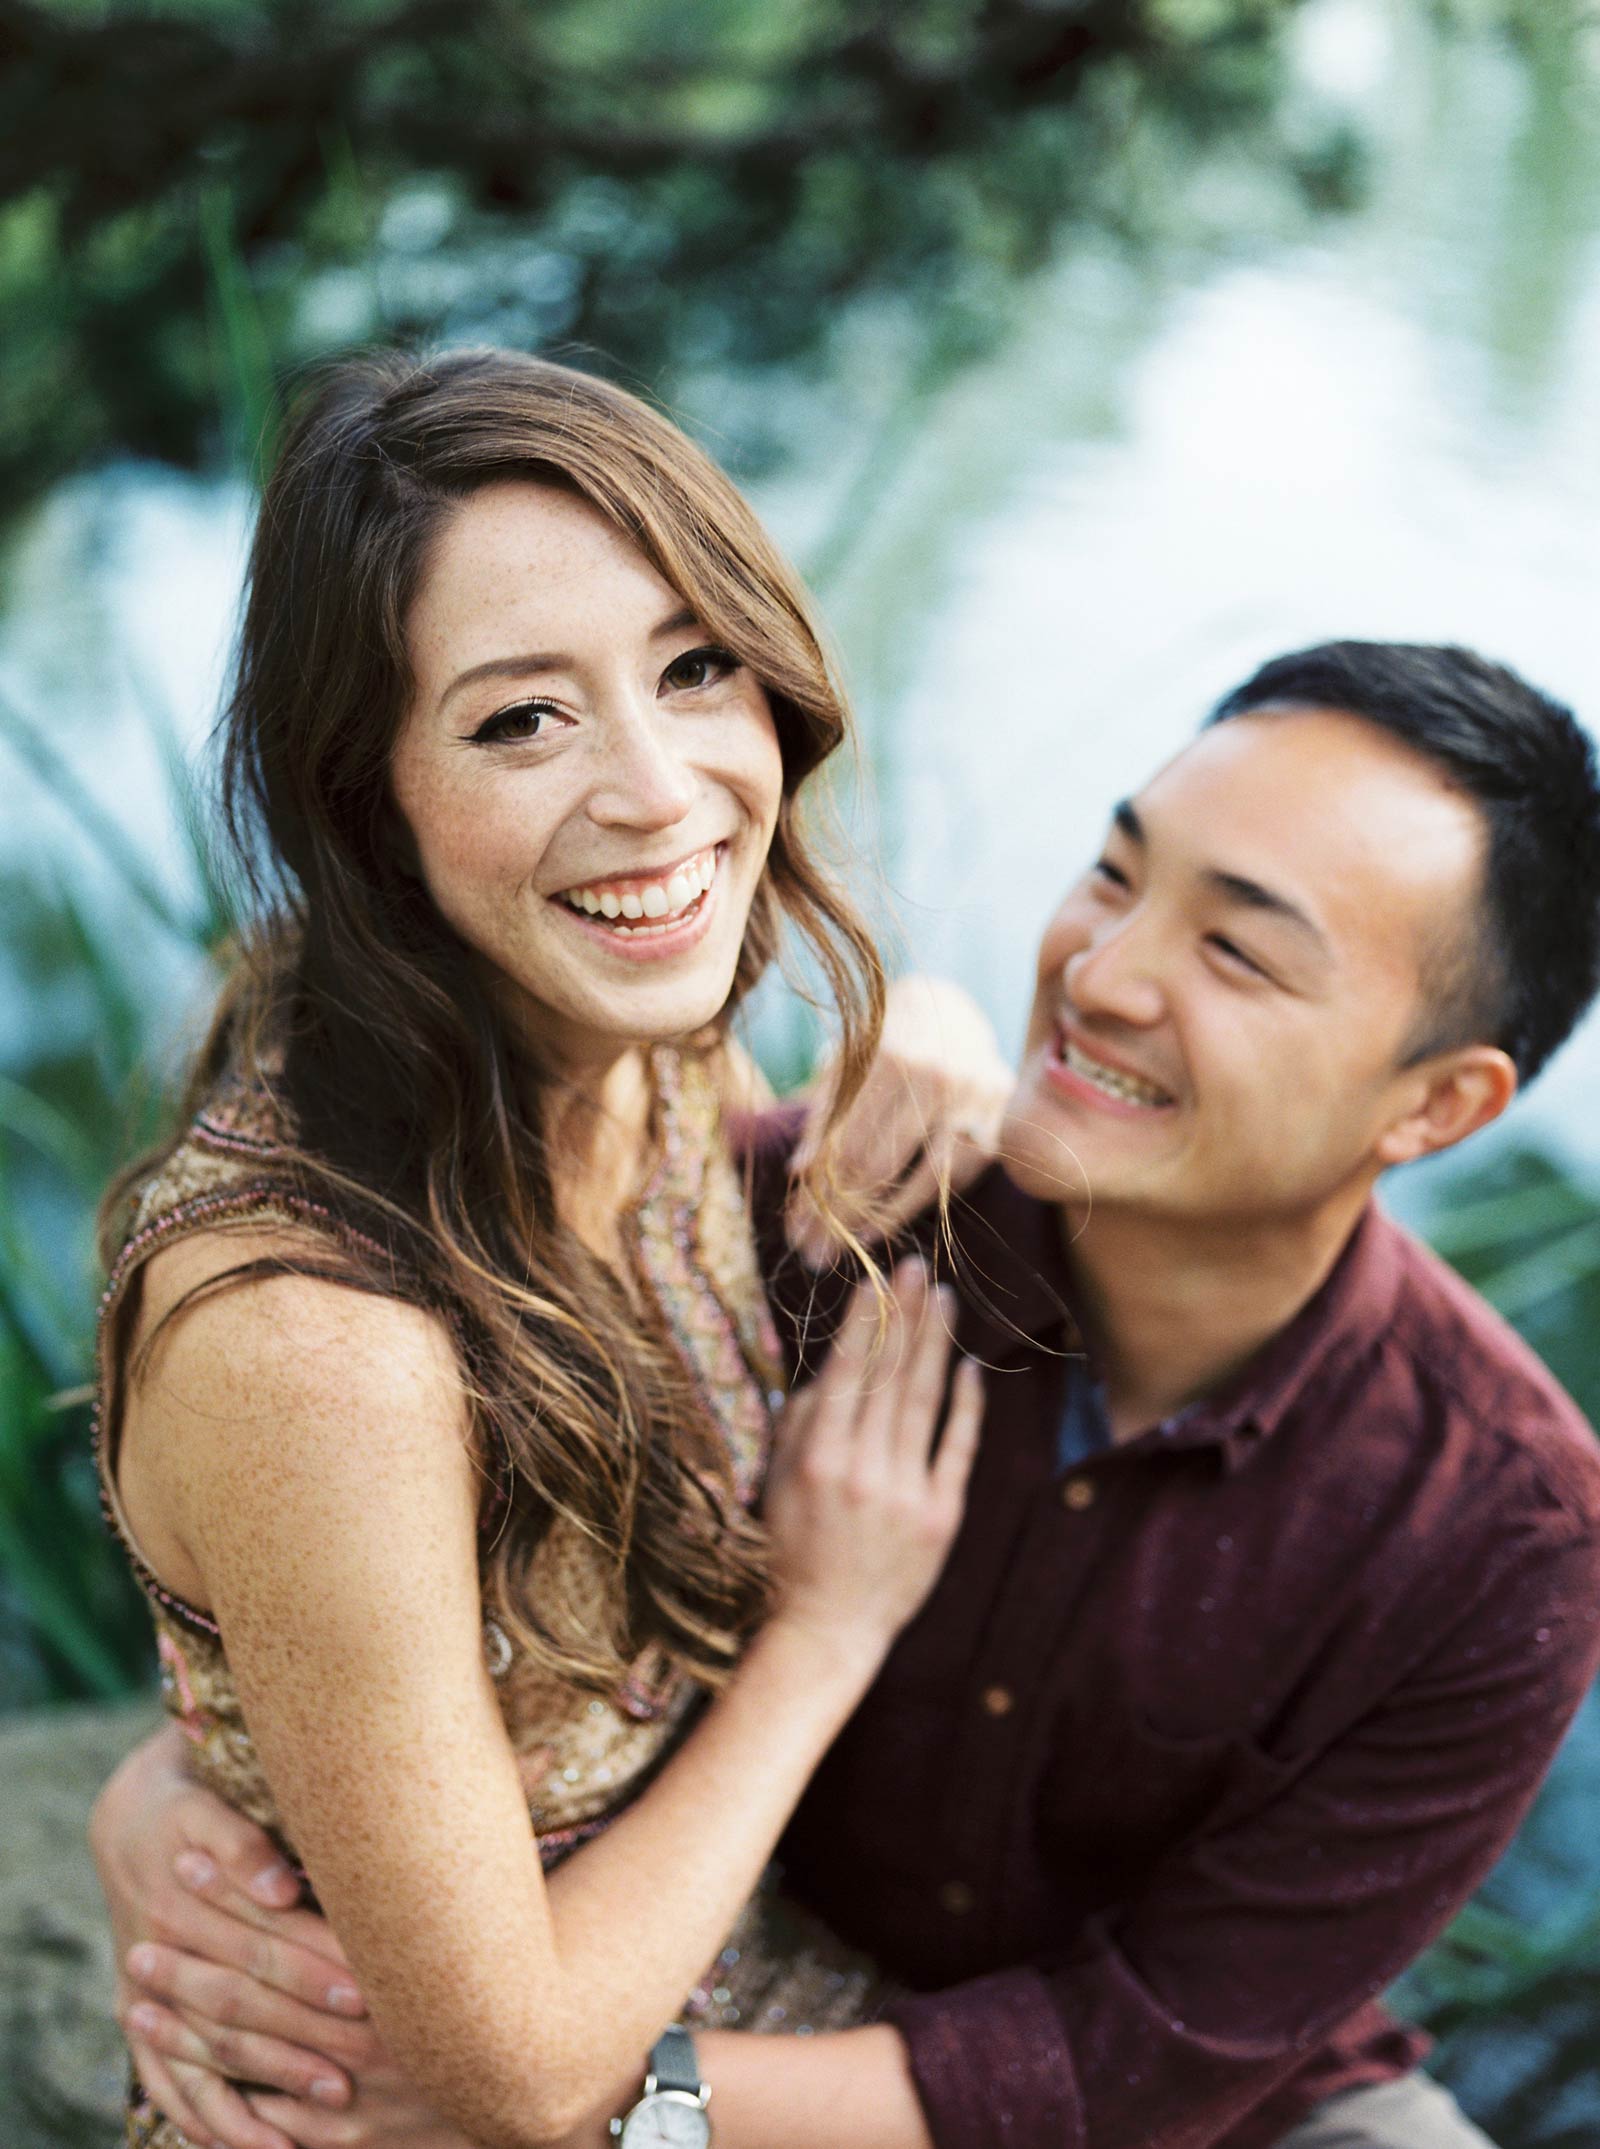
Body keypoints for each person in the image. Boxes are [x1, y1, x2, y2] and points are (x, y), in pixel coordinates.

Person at [96, 641, 1600, 2149]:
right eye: (1117, 872)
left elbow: (1137, 2059)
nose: (1102, 972)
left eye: (1239, 955)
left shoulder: (1505, 1532)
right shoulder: (828, 1218)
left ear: (1438, 1102)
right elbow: (395, 1578)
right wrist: (178, 1789)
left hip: (1183, 2104)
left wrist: (602, 2095)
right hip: (749, 1974)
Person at [87, 342, 992, 2149]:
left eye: (693, 670)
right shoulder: (319, 1343)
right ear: (370, 805)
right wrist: (829, 1626)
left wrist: (942, 1026)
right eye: (522, 718)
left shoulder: (636, 1039)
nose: (662, 792)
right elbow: (516, 2075)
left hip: (740, 2025)